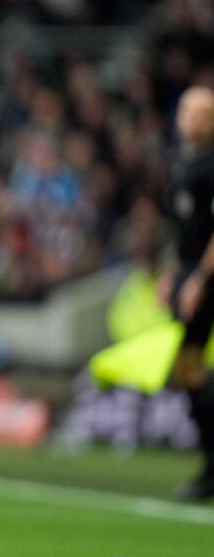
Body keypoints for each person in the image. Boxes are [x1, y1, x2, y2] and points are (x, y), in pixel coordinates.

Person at [159, 85, 214, 501]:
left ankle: (211, 467)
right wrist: (174, 272)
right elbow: (187, 232)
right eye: (187, 110)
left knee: (188, 367)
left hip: (208, 279)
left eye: (201, 111)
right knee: (185, 370)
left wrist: (199, 279)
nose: (191, 118)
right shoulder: (186, 163)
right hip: (190, 273)